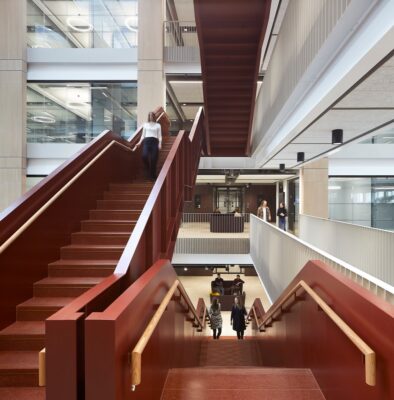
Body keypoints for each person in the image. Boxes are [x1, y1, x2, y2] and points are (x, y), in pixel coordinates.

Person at [133, 112, 162, 180]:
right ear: (148, 117)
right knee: (144, 156)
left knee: (154, 159)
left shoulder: (158, 125)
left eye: (152, 116)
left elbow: (159, 136)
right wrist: (139, 142)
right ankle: (148, 168)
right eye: (149, 116)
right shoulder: (145, 125)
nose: (151, 117)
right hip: (146, 141)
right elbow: (143, 135)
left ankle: (153, 176)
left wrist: (160, 143)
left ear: (154, 117)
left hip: (154, 142)